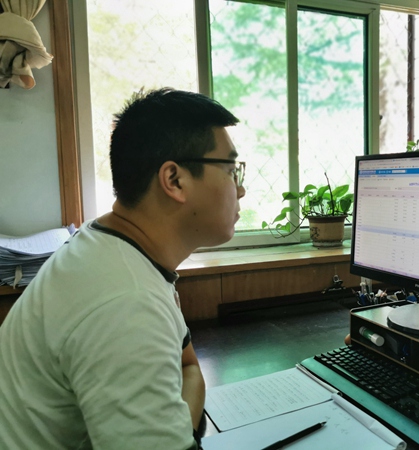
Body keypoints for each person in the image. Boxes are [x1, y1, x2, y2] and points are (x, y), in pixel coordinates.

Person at [0, 88, 246, 449]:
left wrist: (177, 423)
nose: (241, 190)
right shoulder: (126, 301)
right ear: (174, 180)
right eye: (230, 170)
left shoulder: (110, 246)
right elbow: (188, 375)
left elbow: (189, 367)